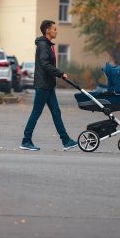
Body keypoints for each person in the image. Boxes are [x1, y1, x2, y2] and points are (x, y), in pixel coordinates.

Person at [20, 20, 78, 151]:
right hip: (43, 85)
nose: (56, 31)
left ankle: (66, 141)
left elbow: (47, 64)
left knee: (56, 112)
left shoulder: (47, 45)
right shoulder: (43, 45)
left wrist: (57, 75)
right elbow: (45, 64)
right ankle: (26, 141)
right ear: (47, 30)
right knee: (36, 112)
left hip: (48, 85)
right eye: (54, 29)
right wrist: (60, 73)